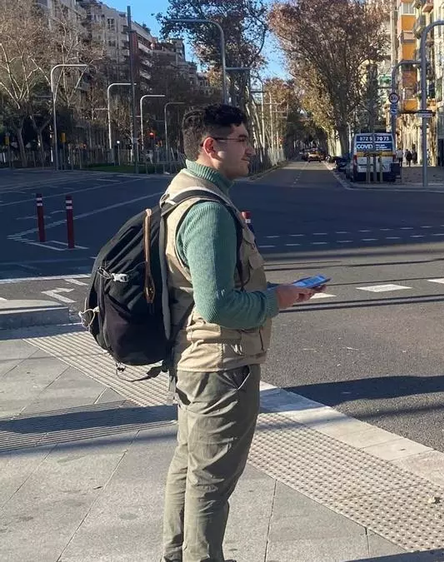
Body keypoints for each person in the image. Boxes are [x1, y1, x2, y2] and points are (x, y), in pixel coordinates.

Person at [160, 104, 319, 562]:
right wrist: (278, 299)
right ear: (211, 147)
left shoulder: (183, 189)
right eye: (242, 140)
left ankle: (176, 555)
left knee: (189, 468)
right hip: (221, 365)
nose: (251, 149)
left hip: (195, 359)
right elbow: (217, 305)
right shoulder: (208, 212)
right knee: (210, 482)